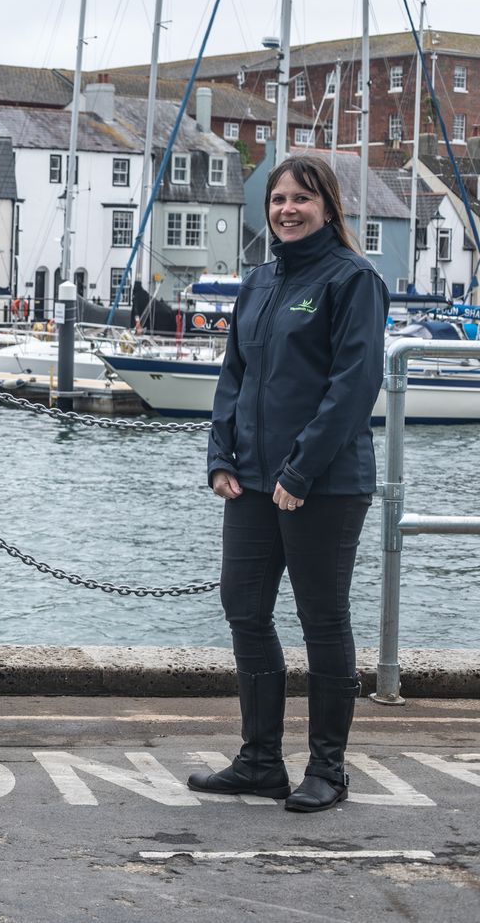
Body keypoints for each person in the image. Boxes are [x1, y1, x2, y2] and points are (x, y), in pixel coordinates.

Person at [188, 153, 388, 812]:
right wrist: (222, 455)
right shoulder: (261, 281)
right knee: (244, 606)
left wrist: (301, 468)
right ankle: (260, 760)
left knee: (322, 619)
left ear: (328, 206)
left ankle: (327, 767)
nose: (287, 209)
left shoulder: (352, 279)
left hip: (325, 484)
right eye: (277, 199)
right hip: (250, 481)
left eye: (301, 198)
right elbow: (234, 376)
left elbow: (354, 386)